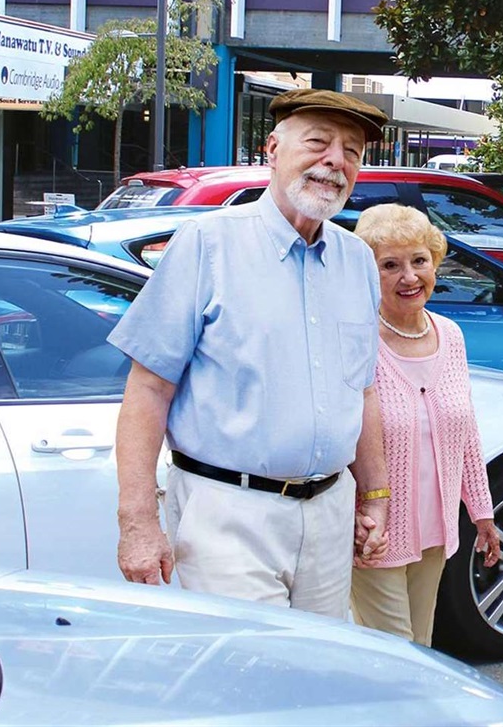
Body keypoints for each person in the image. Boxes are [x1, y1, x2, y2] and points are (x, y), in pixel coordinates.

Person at [109, 88, 393, 619]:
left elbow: (364, 388)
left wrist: (373, 495)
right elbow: (148, 388)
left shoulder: (357, 260)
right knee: (238, 684)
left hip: (329, 514)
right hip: (227, 515)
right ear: (272, 150)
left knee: (316, 681)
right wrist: (138, 521)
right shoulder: (207, 245)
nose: (335, 161)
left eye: (351, 151)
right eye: (318, 143)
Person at [350, 203, 501, 646]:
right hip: (373, 535)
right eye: (390, 265)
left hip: (435, 534)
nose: (409, 277)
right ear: (369, 273)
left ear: (435, 262)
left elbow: (465, 432)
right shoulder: (359, 340)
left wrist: (483, 514)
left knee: (422, 648)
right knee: (395, 658)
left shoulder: (450, 335)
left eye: (419, 260)